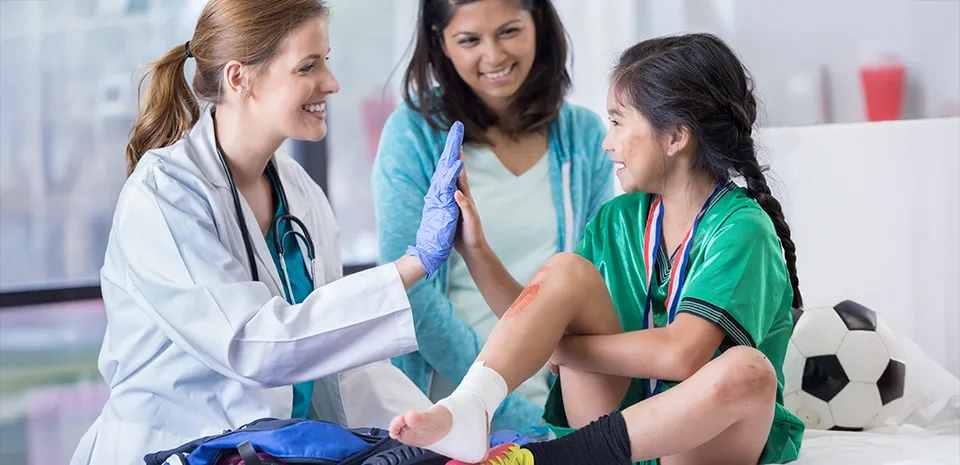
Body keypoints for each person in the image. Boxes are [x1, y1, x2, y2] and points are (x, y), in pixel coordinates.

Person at [69, 1, 466, 464]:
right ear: (239, 79)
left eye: (327, 61)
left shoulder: (300, 191)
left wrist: (447, 428)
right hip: (168, 448)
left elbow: (339, 357)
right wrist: (414, 263)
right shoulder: (164, 196)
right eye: (308, 66)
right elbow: (251, 345)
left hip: (266, 451)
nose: (332, 83)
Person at [389, 33, 806, 464]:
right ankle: (471, 406)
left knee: (749, 371)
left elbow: (681, 355)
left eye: (618, 122)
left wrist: (559, 348)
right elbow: (532, 318)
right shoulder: (619, 219)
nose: (607, 142)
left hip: (696, 449)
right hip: (612, 432)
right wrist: (474, 249)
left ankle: (551, 459)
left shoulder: (742, 228)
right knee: (567, 270)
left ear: (676, 136)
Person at [372, 0, 614, 435]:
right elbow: (410, 294)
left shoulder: (586, 135)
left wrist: (556, 420)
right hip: (443, 406)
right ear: (439, 40)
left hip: (561, 404)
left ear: (537, 21)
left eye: (509, 31)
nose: (495, 56)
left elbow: (595, 288)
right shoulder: (411, 134)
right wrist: (504, 405)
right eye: (469, 40)